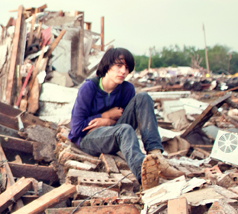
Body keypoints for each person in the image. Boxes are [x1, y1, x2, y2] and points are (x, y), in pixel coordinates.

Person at [68, 47, 181, 190]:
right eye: (119, 66)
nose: (123, 71)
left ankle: (156, 156)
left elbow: (125, 119)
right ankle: (144, 176)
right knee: (125, 130)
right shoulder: (89, 88)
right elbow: (76, 128)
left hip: (114, 133)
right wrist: (105, 116)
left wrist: (108, 122)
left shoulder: (127, 89)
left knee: (143, 97)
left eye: (127, 68)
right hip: (88, 140)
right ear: (108, 65)